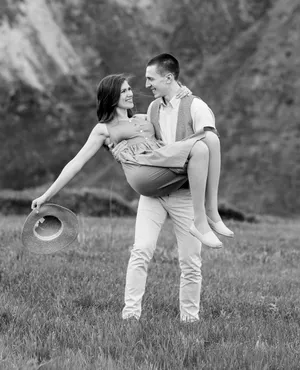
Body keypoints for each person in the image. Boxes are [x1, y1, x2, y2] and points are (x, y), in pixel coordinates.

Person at [31, 73, 229, 249]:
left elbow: (171, 112)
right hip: (146, 171)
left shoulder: (145, 118)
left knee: (208, 140)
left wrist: (182, 93)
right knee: (201, 146)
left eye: (129, 89)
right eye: (123, 91)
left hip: (164, 164)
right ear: (111, 97)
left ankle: (210, 212)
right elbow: (76, 163)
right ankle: (203, 217)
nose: (130, 94)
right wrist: (47, 195)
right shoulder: (104, 128)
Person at [119, 53, 233, 323]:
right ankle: (130, 315)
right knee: (141, 250)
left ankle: (190, 320)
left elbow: (207, 145)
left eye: (151, 78)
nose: (147, 85)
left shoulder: (197, 107)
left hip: (184, 195)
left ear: (169, 78)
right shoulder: (154, 109)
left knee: (191, 263)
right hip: (155, 194)